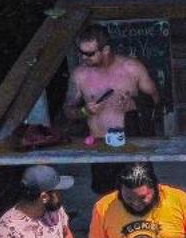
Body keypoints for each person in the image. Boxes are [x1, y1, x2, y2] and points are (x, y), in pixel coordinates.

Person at [63, 23, 159, 159]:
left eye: (89, 54)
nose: (83, 57)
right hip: (99, 147)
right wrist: (85, 111)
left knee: (141, 181)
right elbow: (68, 111)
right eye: (81, 52)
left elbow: (156, 100)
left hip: (133, 145)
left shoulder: (132, 68)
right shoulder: (79, 74)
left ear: (106, 50)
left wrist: (134, 103)